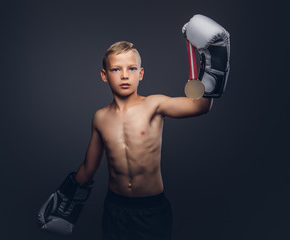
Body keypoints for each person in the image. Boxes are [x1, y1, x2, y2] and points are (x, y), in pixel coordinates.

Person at [37, 14, 230, 240]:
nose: (125, 75)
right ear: (104, 75)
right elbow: (89, 168)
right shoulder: (100, 117)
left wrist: (215, 56)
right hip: (115, 208)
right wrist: (63, 196)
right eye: (116, 69)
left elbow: (201, 107)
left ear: (141, 73)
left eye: (131, 68)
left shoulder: (154, 105)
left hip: (152, 210)